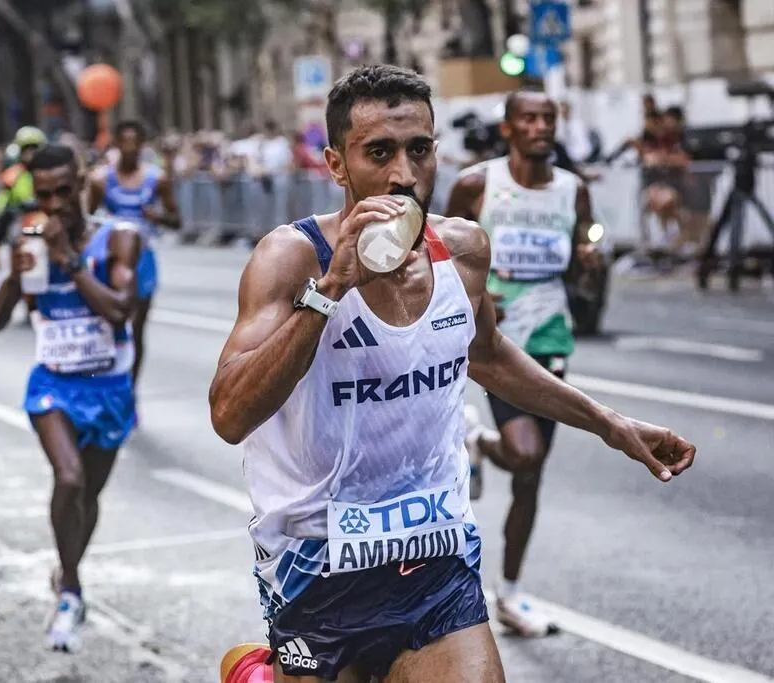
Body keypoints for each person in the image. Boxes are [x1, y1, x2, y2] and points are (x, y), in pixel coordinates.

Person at [210, 65, 696, 683]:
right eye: (379, 153)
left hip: (434, 557)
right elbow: (229, 413)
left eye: (419, 150)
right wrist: (332, 288)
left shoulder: (462, 250)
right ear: (337, 165)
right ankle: (259, 672)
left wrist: (610, 423)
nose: (404, 176)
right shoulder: (293, 256)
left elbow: (488, 355)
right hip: (315, 566)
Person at [444, 89, 604, 638]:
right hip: (496, 342)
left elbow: (584, 272)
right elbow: (437, 256)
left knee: (531, 476)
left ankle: (510, 594)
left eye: (548, 118)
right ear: (508, 128)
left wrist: (590, 262)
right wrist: (480, 297)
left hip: (552, 334)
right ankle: (487, 443)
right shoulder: (477, 185)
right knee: (524, 451)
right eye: (529, 119)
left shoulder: (572, 191)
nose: (540, 127)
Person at [0, 145, 141, 653]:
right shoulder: (31, 243)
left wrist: (69, 262)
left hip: (109, 388)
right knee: (68, 478)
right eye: (43, 194)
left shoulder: (117, 239)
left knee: (88, 497)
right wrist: (14, 273)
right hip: (53, 383)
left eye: (63, 191)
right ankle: (71, 590)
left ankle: (67, 572)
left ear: (82, 185)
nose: (53, 205)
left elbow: (119, 310)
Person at [87, 120, 180, 388]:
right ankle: (108, 385)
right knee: (111, 324)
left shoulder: (156, 180)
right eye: (124, 141)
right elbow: (85, 219)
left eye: (135, 142)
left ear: (142, 145)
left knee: (137, 329)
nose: (130, 148)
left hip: (143, 260)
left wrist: (158, 217)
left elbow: (177, 220)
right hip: (110, 260)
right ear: (115, 144)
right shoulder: (101, 181)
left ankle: (131, 391)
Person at [0, 127, 47, 324]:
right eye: (27, 150)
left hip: (48, 225)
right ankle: (26, 300)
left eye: (35, 149)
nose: (31, 155)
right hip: (24, 225)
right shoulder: (12, 176)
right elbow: (1, 206)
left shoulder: (50, 172)